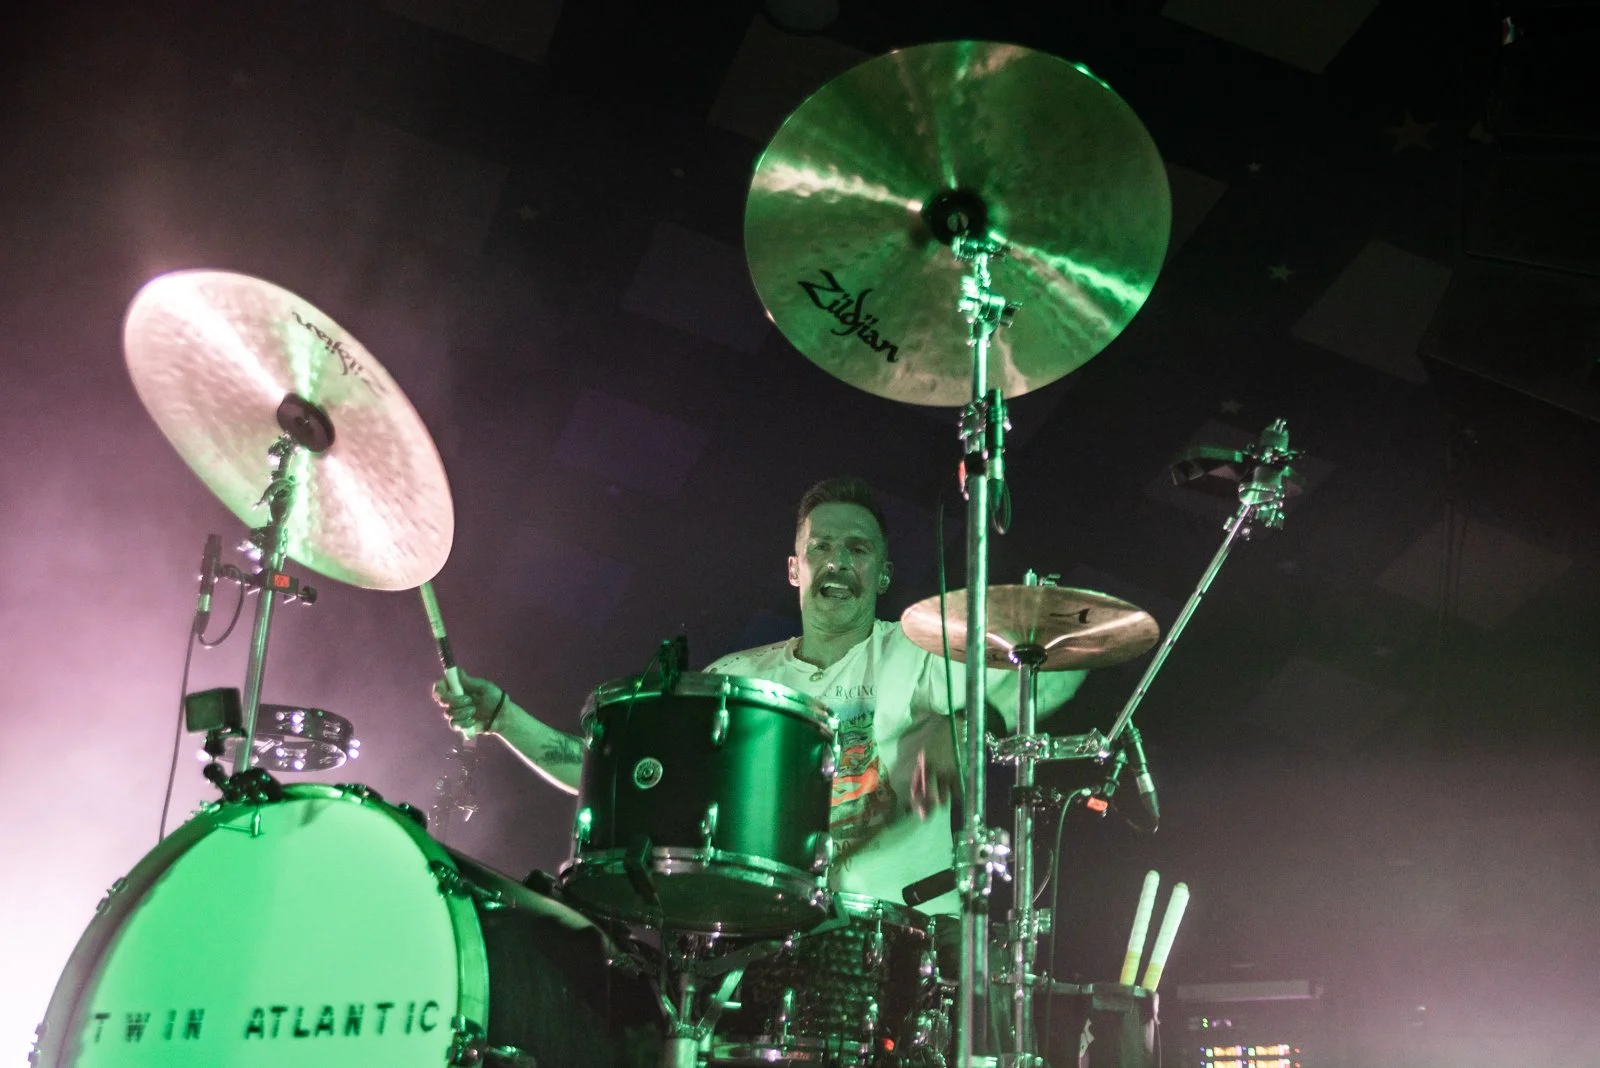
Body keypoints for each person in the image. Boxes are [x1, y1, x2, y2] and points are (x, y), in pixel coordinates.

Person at [437, 476, 1084, 917]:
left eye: (857, 550)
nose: (837, 562)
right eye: (821, 547)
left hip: (906, 938)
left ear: (882, 574)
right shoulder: (738, 681)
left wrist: (977, 717)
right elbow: (622, 781)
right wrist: (501, 718)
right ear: (794, 568)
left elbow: (1064, 657)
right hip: (765, 944)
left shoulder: (919, 648)